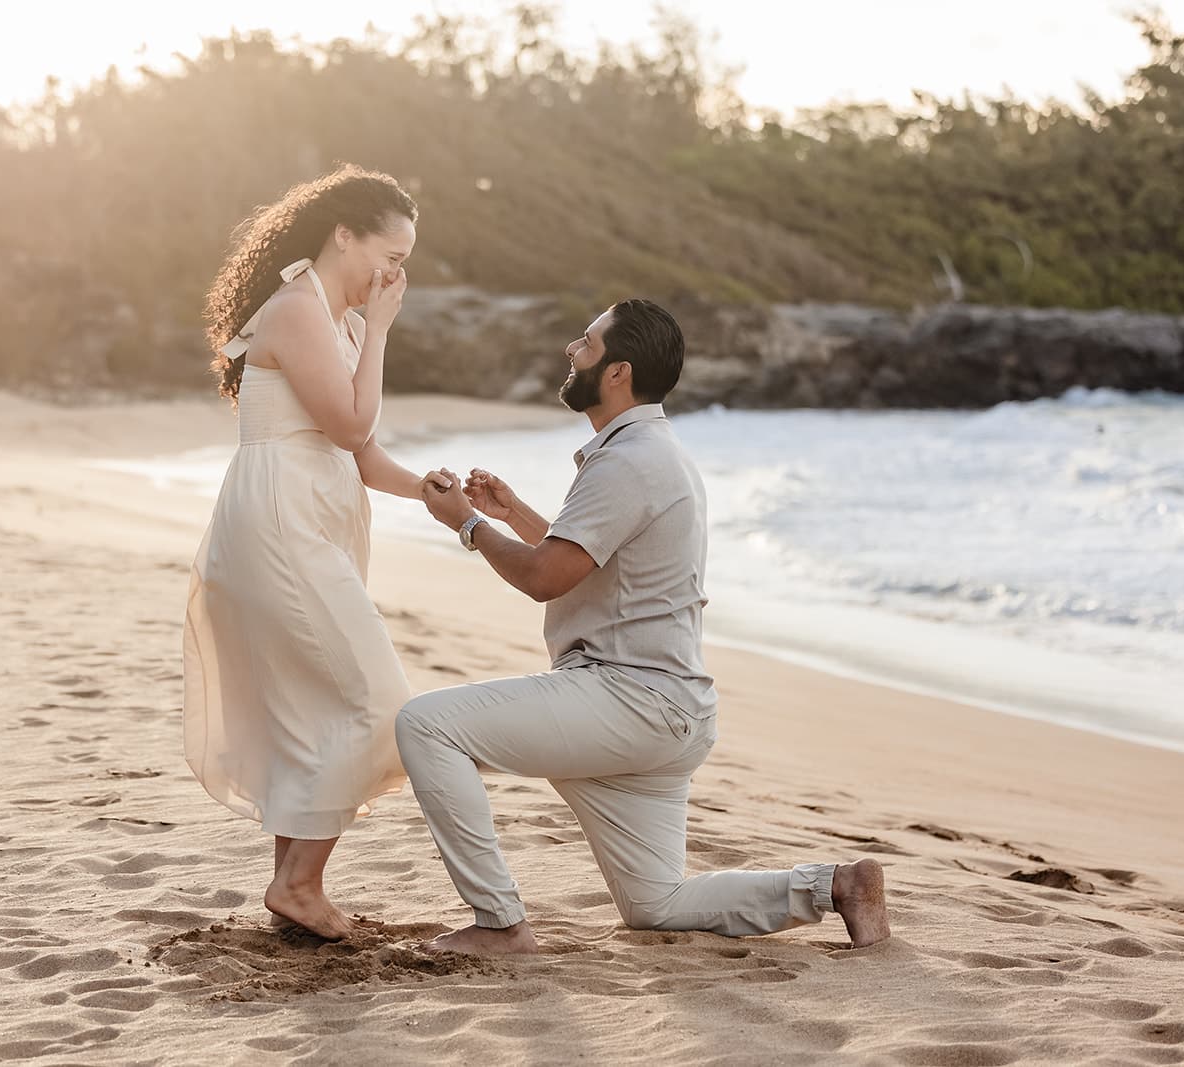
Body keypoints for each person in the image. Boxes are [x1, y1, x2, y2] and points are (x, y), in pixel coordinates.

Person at [402, 298, 891, 954]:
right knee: (656, 904)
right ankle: (834, 886)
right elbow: (590, 563)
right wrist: (513, 512)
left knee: (426, 724)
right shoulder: (652, 453)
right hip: (668, 709)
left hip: (626, 700)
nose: (571, 351)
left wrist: (466, 522)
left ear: (616, 371)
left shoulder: (627, 461)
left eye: (585, 341)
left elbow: (546, 577)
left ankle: (500, 922)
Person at [183, 165, 450, 940]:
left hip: (315, 518)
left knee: (313, 705)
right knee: (378, 702)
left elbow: (364, 455)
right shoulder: (300, 309)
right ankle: (300, 882)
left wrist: (428, 493)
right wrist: (385, 333)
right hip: (279, 523)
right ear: (344, 235)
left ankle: (289, 883)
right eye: (389, 255)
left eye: (405, 262)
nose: (395, 273)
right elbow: (347, 425)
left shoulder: (345, 319)